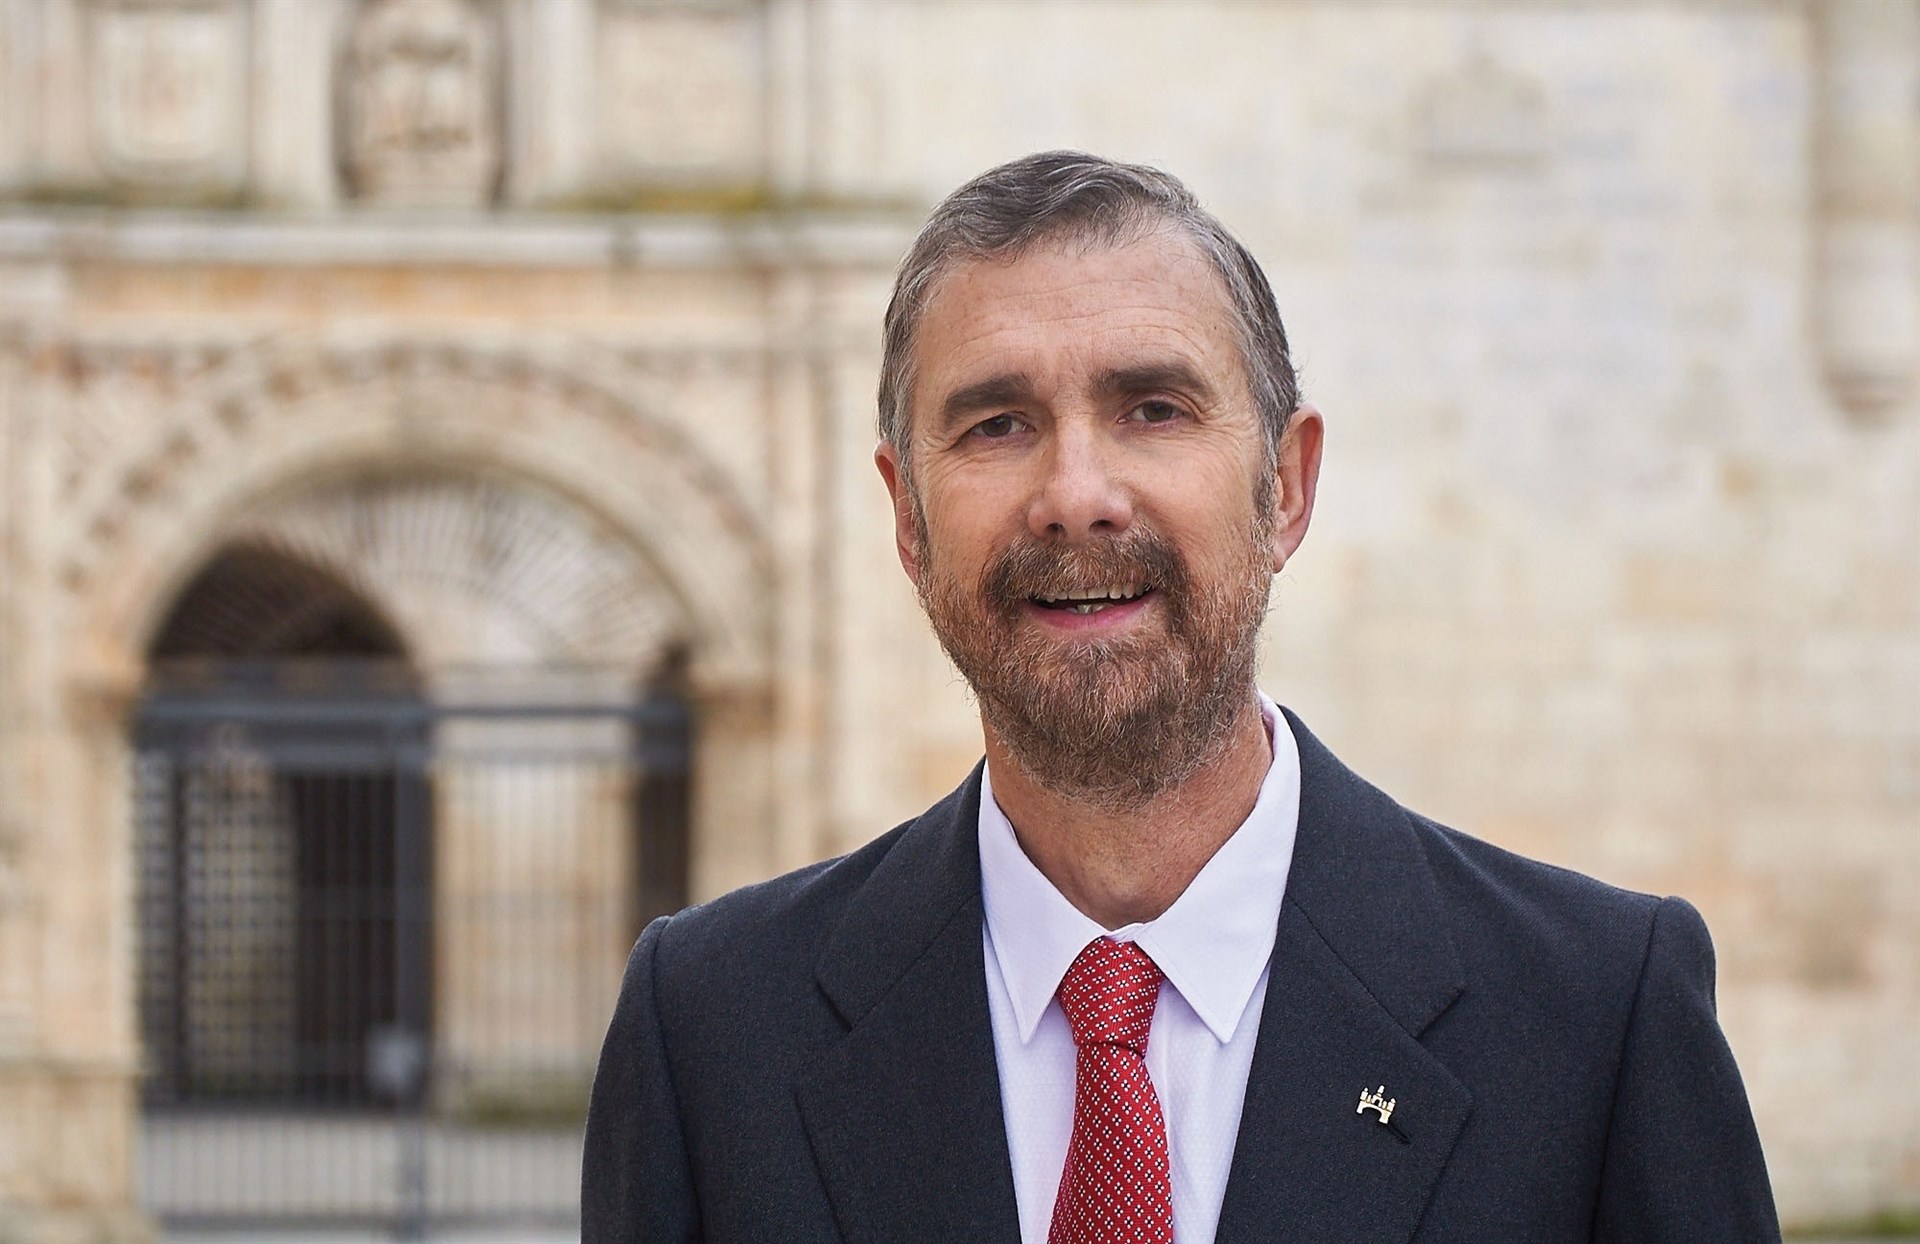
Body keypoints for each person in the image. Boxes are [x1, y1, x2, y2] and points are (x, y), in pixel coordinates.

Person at [582, 151, 1780, 1243]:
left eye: (1153, 408)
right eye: (998, 424)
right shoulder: (713, 1029)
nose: (1077, 494)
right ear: (906, 517)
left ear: (1286, 489)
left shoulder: (1589, 1013)